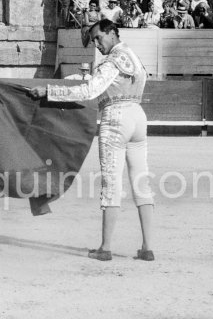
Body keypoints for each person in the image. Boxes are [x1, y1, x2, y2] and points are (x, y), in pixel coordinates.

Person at [29, 19, 155, 262]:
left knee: (111, 183)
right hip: (138, 117)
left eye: (98, 37)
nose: (96, 44)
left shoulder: (111, 61)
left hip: (116, 118)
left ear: (112, 32)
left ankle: (105, 247)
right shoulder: (134, 57)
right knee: (141, 181)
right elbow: (98, 81)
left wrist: (50, 91)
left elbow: (89, 92)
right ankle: (147, 247)